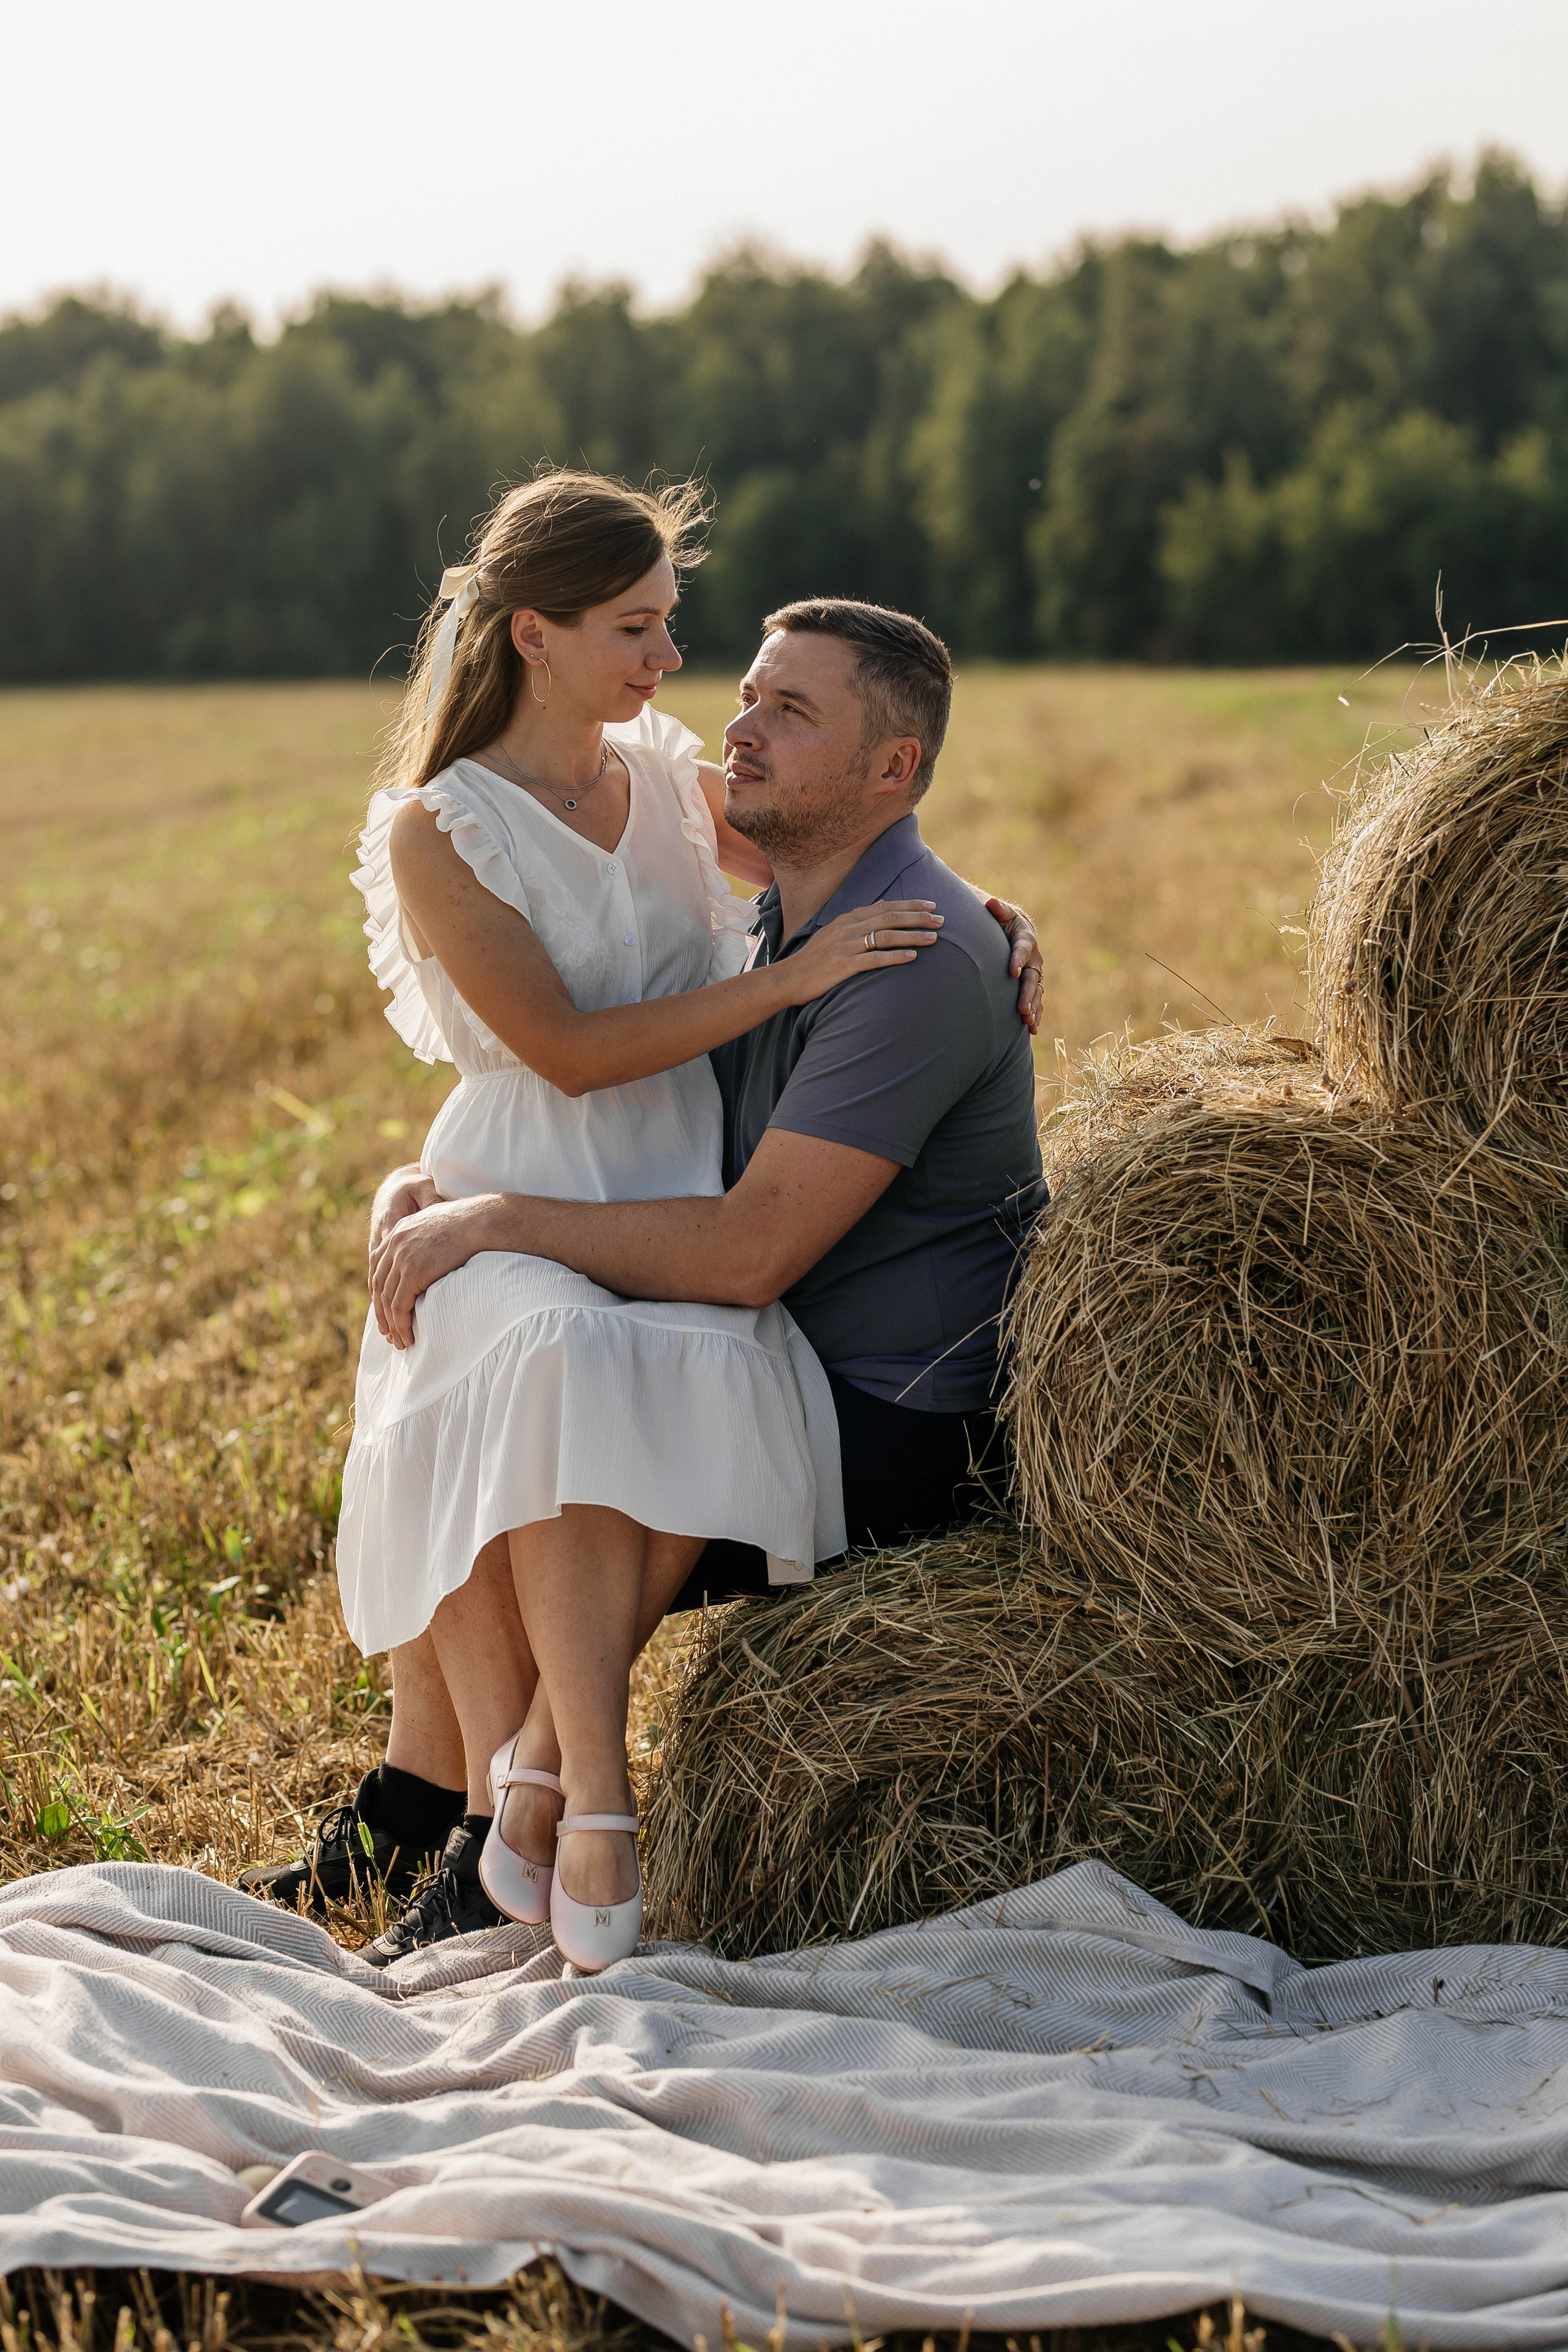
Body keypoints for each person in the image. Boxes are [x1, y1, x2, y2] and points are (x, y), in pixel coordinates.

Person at [243, 586, 1047, 1964]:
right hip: (779, 1342)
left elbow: (742, 1254)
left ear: (887, 768)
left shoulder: (906, 959)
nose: (735, 723)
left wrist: (497, 1218)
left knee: (553, 1388)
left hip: (885, 1414)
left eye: (789, 712)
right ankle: (441, 1783)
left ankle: (516, 1824)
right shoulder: (796, 917)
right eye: (747, 691)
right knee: (486, 1340)